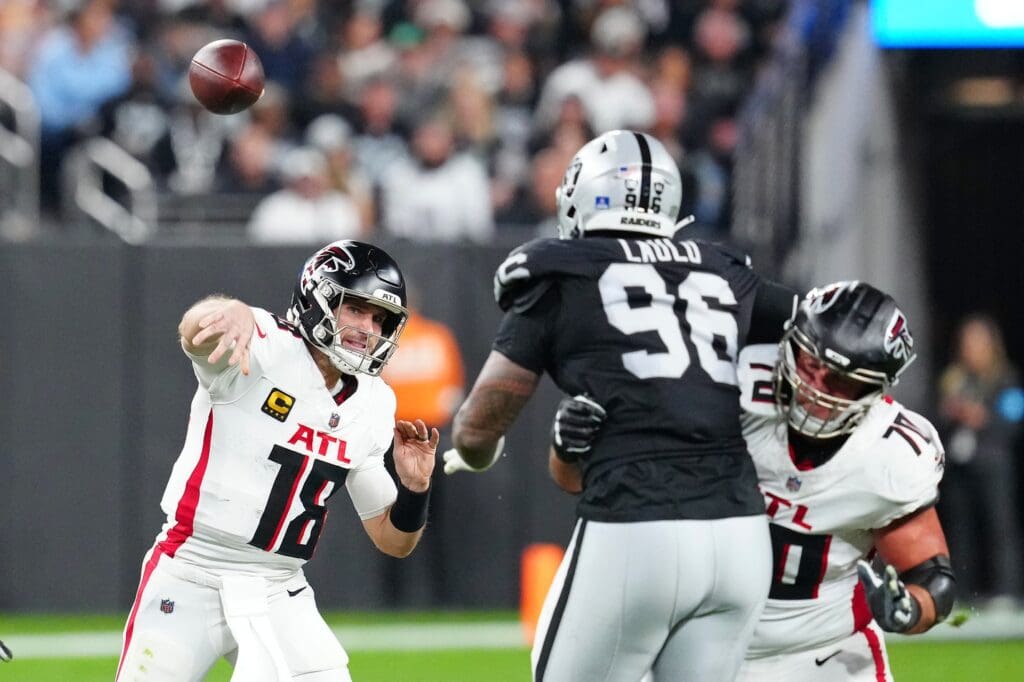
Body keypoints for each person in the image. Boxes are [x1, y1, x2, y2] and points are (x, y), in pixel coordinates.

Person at [442, 129, 797, 681]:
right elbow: (826, 328)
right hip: (742, 534)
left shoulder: (561, 271)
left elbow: (477, 428)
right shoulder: (725, 269)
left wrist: (475, 455)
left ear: (583, 195)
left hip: (637, 527)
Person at [555, 281, 957, 681]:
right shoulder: (727, 394)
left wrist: (908, 610)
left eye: (839, 380)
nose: (815, 388)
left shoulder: (888, 456)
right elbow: (576, 482)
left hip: (822, 652)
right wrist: (569, 448)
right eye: (809, 363)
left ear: (874, 388)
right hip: (692, 647)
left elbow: (931, 577)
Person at [116, 240, 439, 682]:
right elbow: (194, 334)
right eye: (356, 309)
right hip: (191, 569)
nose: (368, 328)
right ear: (319, 299)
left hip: (278, 587)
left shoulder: (374, 402)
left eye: (380, 319)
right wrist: (227, 312)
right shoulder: (263, 344)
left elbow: (393, 540)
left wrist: (415, 489)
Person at [938, 314, 1024, 606]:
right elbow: (935, 417)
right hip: (960, 466)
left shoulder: (1005, 379)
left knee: (1000, 528)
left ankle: (1005, 592)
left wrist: (982, 418)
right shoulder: (954, 379)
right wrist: (950, 412)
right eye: (967, 343)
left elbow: (1014, 418)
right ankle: (962, 592)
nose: (971, 349)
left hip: (993, 465)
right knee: (960, 530)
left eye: (977, 342)